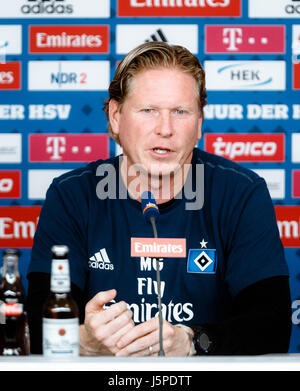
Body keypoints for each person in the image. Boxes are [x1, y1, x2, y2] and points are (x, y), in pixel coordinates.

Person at [27, 42, 291, 356]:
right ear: (115, 116)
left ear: (199, 124)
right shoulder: (71, 195)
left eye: (180, 112)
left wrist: (193, 341)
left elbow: (273, 326)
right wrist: (82, 339)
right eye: (148, 110)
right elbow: (35, 325)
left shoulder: (241, 192)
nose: (164, 129)